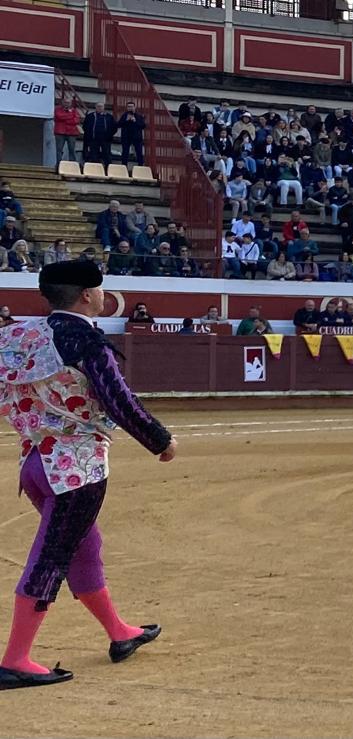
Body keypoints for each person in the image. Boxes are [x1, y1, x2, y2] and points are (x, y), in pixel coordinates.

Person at [0, 261, 174, 691]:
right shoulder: (86, 341)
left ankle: (119, 632)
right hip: (75, 467)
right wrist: (161, 440)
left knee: (83, 544)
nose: (102, 295)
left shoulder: (17, 336)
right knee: (52, 554)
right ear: (86, 295)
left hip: (35, 461)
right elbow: (119, 400)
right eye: (99, 289)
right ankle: (16, 659)